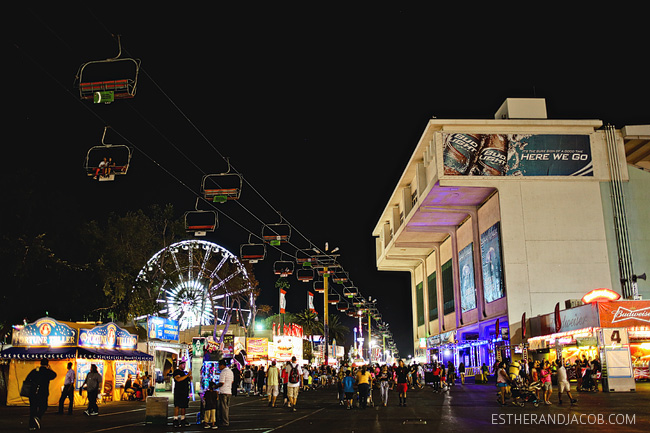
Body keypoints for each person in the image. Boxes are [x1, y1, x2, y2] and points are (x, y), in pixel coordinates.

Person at [26, 358, 57, 430]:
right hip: (43, 392)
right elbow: (54, 375)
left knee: (33, 409)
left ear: (40, 363)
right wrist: (50, 368)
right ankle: (38, 416)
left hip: (33, 392)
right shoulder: (47, 372)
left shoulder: (35, 370)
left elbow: (27, 379)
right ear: (47, 364)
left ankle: (32, 425)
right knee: (43, 407)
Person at [172, 360, 192, 427]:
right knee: (177, 405)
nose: (184, 366)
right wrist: (187, 376)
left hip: (185, 391)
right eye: (183, 364)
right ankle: (175, 420)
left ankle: (183, 419)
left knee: (184, 406)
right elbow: (178, 379)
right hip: (178, 391)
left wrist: (189, 378)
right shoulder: (176, 372)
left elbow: (188, 380)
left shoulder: (185, 373)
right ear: (180, 365)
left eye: (184, 364)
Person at [216, 359, 233, 427]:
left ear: (222, 365)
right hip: (229, 391)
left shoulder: (223, 372)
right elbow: (232, 381)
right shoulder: (230, 371)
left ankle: (225, 422)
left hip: (223, 391)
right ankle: (224, 420)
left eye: (219, 366)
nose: (218, 367)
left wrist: (215, 386)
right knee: (226, 407)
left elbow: (221, 383)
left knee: (223, 408)